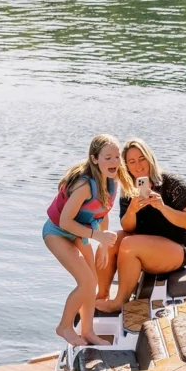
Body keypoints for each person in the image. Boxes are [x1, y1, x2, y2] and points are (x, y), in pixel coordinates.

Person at [43, 134, 132, 346]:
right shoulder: (84, 185)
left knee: (91, 283)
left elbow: (102, 213)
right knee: (87, 282)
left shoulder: (111, 181)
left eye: (117, 156)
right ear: (94, 159)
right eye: (107, 158)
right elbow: (65, 221)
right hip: (57, 233)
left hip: (80, 233)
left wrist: (103, 245)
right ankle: (64, 326)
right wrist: (97, 236)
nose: (114, 162)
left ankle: (88, 331)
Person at [95, 138, 186, 312]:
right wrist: (132, 210)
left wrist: (162, 207)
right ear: (126, 166)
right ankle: (101, 295)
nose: (138, 165)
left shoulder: (172, 184)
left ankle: (119, 302)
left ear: (150, 158)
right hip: (146, 245)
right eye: (132, 161)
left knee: (129, 245)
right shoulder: (128, 188)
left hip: (178, 248)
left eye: (142, 159)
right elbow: (127, 228)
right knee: (109, 241)